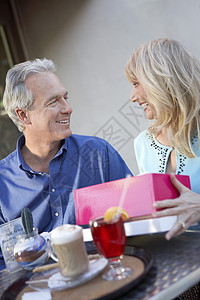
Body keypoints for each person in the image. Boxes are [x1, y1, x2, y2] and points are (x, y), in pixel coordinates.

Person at [0, 58, 132, 269]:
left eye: (66, 98)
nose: (68, 108)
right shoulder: (2, 185)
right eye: (54, 102)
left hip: (109, 276)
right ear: (23, 115)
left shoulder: (99, 154)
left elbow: (135, 217)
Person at [125, 38, 200, 238]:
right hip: (174, 257)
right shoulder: (143, 143)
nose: (132, 97)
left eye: (136, 83)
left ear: (161, 80)